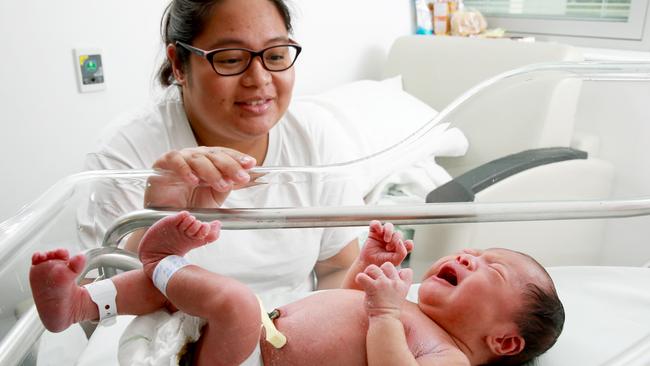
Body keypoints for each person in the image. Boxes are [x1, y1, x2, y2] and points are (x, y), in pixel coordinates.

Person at [78, 0, 364, 294]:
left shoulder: (315, 137)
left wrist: (312, 331)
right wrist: (158, 221)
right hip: (167, 335)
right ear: (179, 65)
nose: (259, 79)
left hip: (297, 329)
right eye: (230, 59)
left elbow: (339, 266)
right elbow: (100, 306)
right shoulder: (124, 154)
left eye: (276, 55)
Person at [33, 212, 565, 366]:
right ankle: (81, 303)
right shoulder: (404, 305)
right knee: (184, 297)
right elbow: (349, 304)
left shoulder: (448, 355)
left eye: (489, 272)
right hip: (245, 341)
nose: (468, 257)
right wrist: (368, 266)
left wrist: (384, 314)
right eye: (475, 253)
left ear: (505, 341)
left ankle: (156, 262)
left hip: (250, 359)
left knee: (234, 299)